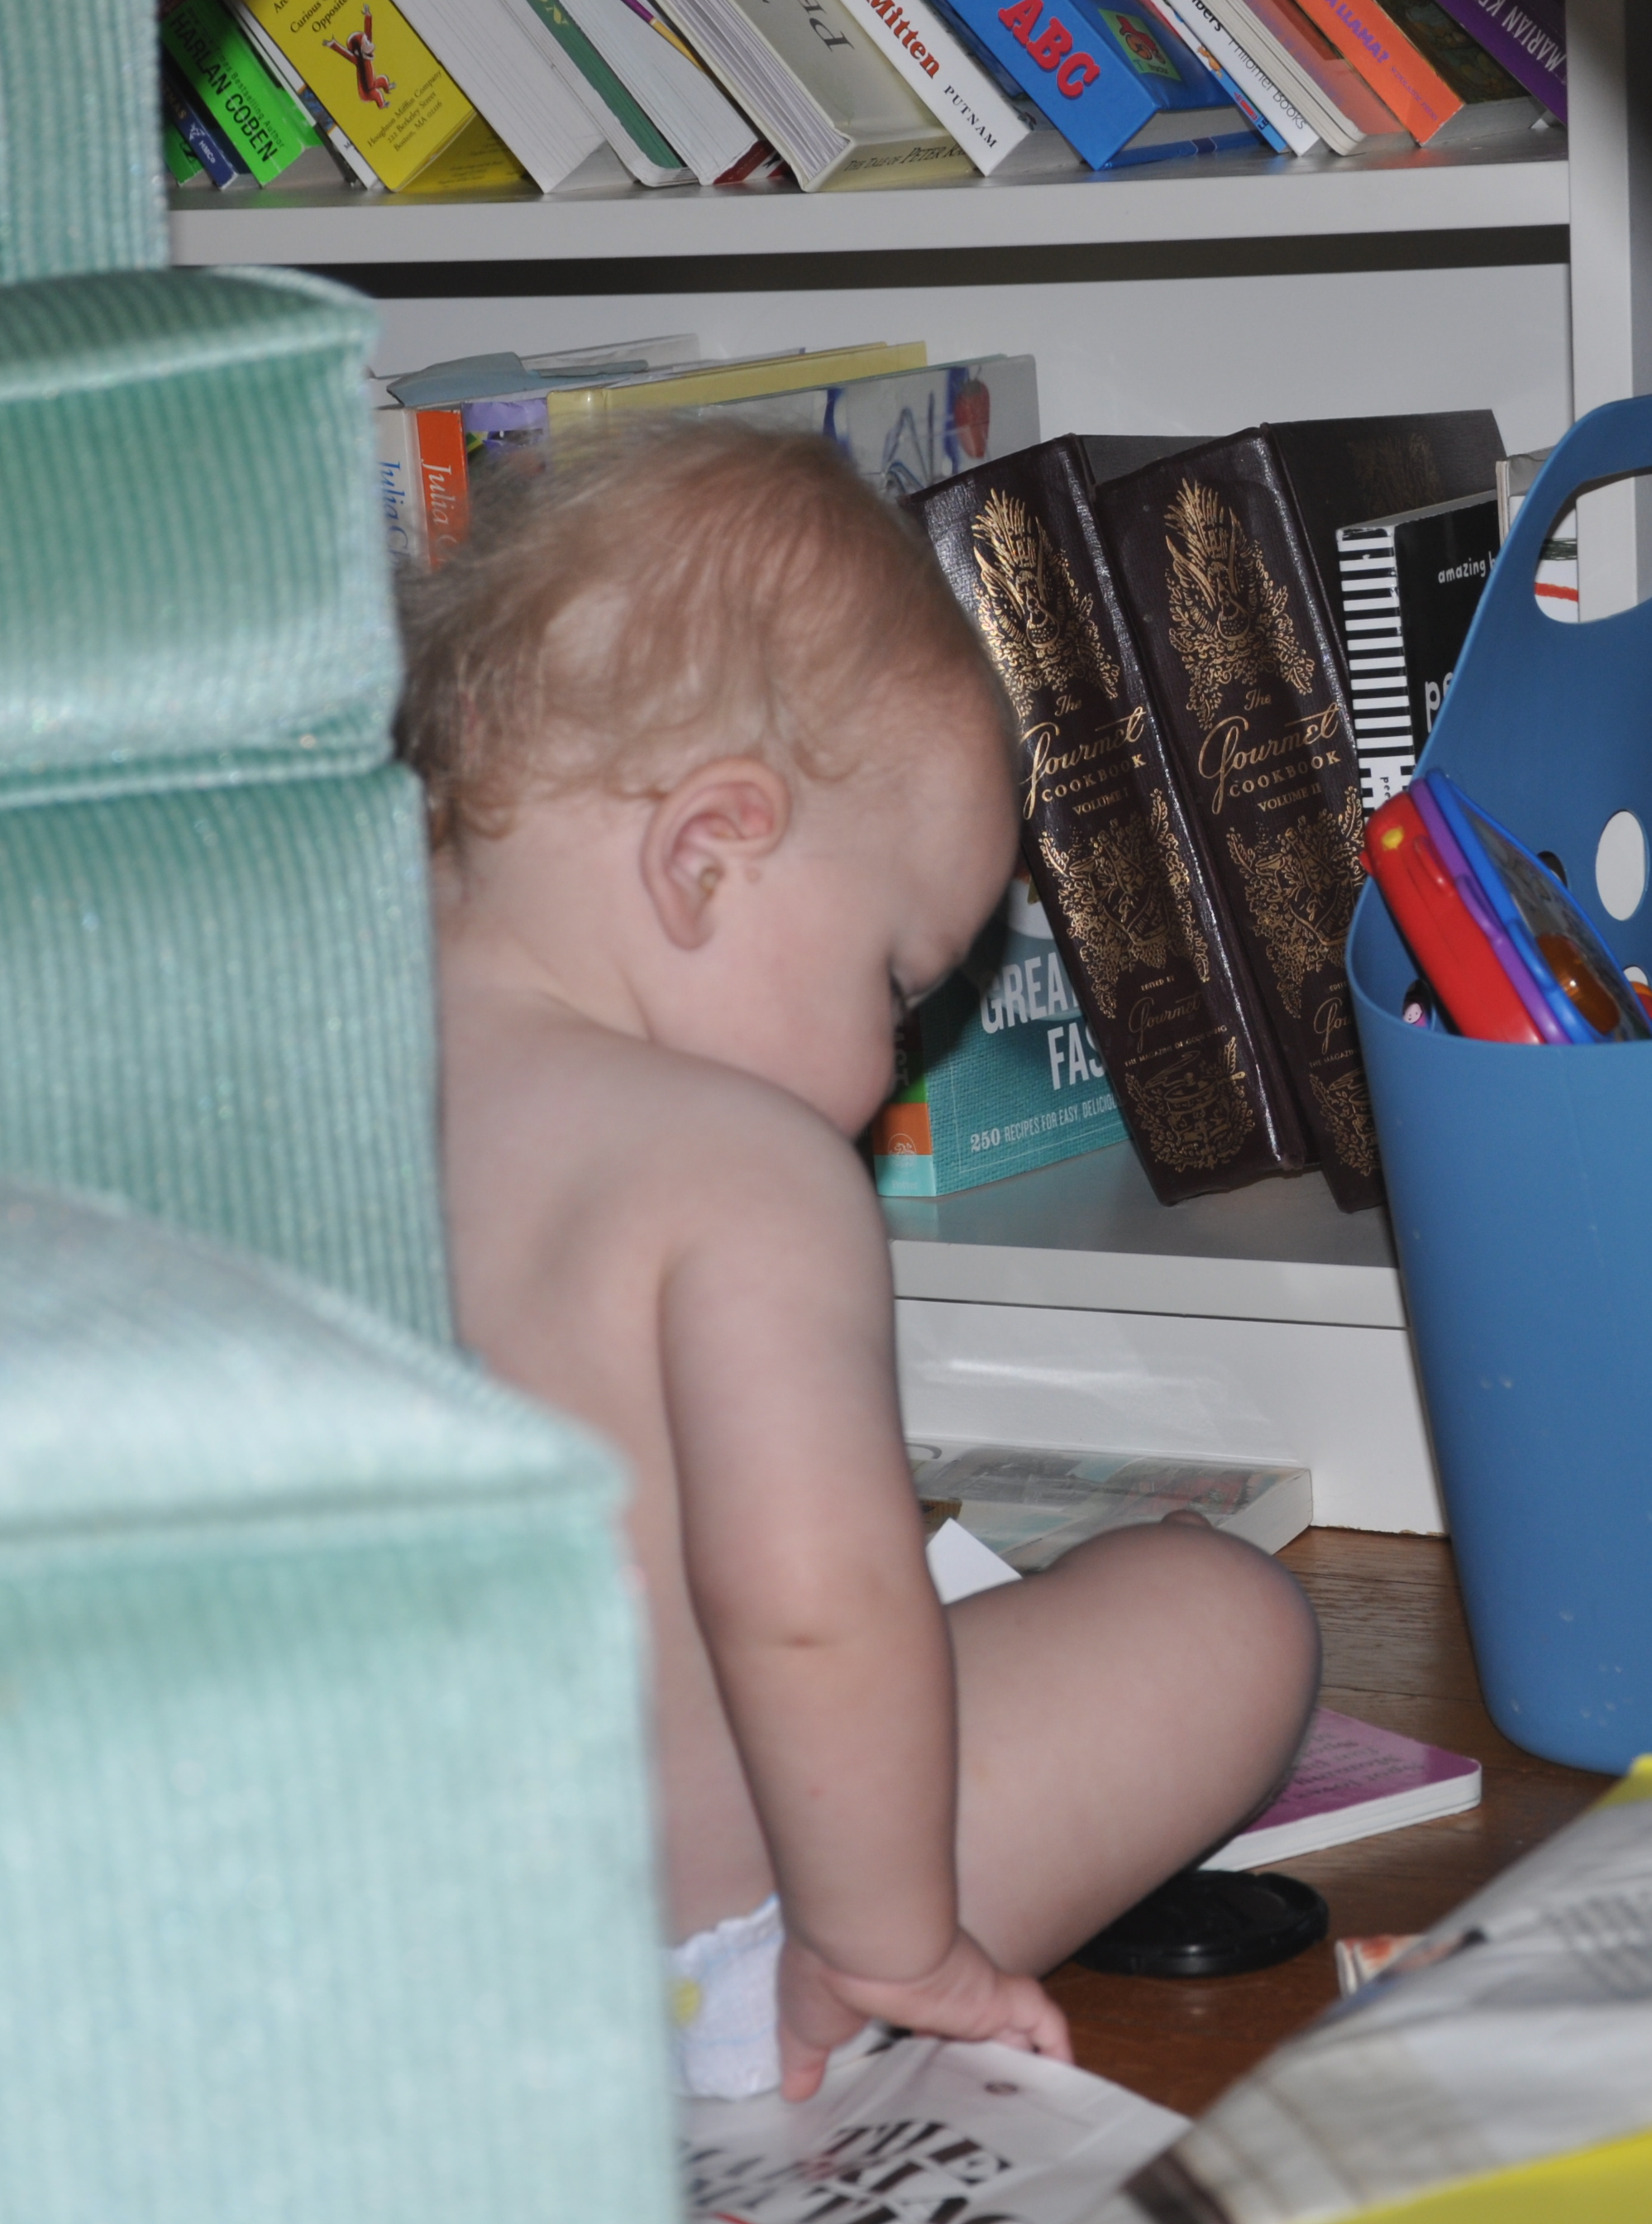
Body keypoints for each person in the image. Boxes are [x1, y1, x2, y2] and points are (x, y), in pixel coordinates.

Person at [405, 421, 1319, 2102]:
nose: (889, 1064)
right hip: (678, 1968)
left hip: (359, 1960)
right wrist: (888, 1937)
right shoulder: (738, 1173)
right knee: (1217, 1619)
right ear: (710, 853)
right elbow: (810, 1609)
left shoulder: (283, 1094)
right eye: (895, 987)